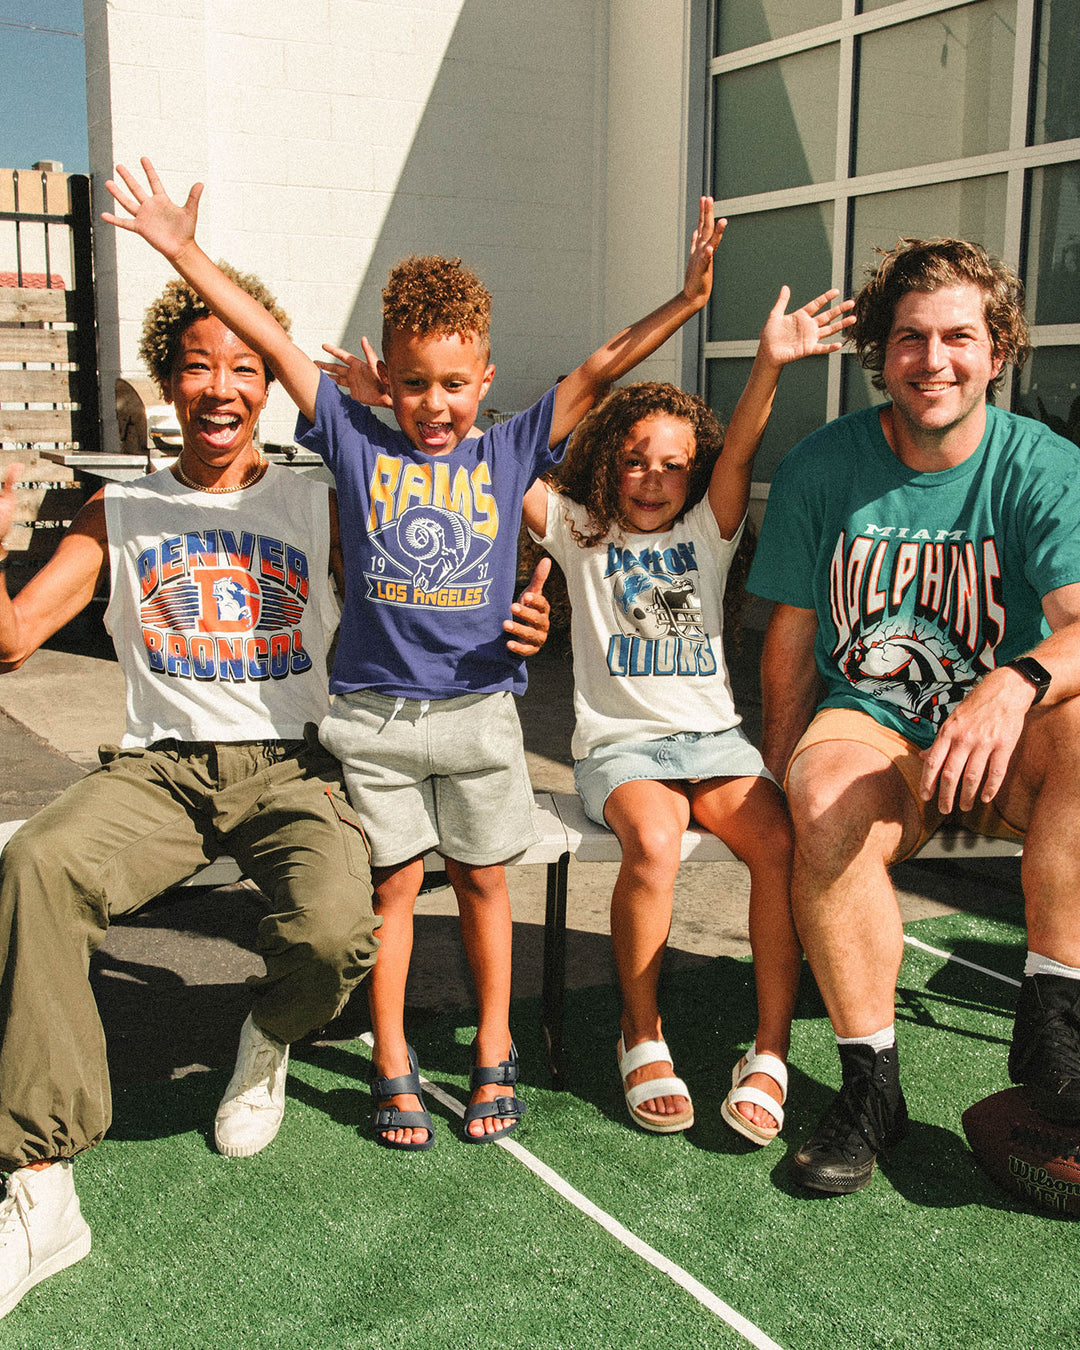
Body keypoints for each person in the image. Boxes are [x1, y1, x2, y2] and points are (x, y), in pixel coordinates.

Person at [102, 157, 728, 1150]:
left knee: (485, 882)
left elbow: (605, 364)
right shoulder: (353, 436)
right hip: (376, 725)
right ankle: (391, 1054)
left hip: (481, 719)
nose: (435, 405)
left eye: (454, 384)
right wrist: (184, 252)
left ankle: (492, 1046)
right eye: (415, 384)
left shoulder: (510, 447)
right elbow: (263, 335)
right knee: (394, 890)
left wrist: (689, 299)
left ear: (485, 379)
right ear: (385, 379)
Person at [0, 263, 388, 1320]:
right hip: (161, 772)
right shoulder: (120, 509)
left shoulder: (316, 498)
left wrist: (509, 623)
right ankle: (40, 1182)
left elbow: (414, 592)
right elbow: (14, 636)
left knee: (333, 931)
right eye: (197, 367)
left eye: (243, 367)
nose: (220, 387)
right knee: (36, 862)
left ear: (267, 383)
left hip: (290, 763)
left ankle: (269, 1034)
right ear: (168, 387)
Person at [747, 236, 1080, 1195]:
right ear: (879, 356)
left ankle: (1056, 1014)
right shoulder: (824, 466)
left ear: (999, 350)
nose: (933, 360)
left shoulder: (1041, 465)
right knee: (823, 793)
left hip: (1005, 740)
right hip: (878, 723)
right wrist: (783, 772)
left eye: (958, 338)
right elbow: (789, 635)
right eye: (909, 339)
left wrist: (1010, 683)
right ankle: (871, 1086)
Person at [521, 287, 853, 1137]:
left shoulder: (711, 530)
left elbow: (739, 448)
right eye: (636, 460)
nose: (655, 479)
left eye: (674, 465)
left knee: (780, 844)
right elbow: (499, 459)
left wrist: (770, 363)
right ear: (607, 461)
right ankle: (641, 1032)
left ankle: (769, 1050)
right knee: (656, 841)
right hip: (622, 748)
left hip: (714, 744)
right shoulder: (577, 527)